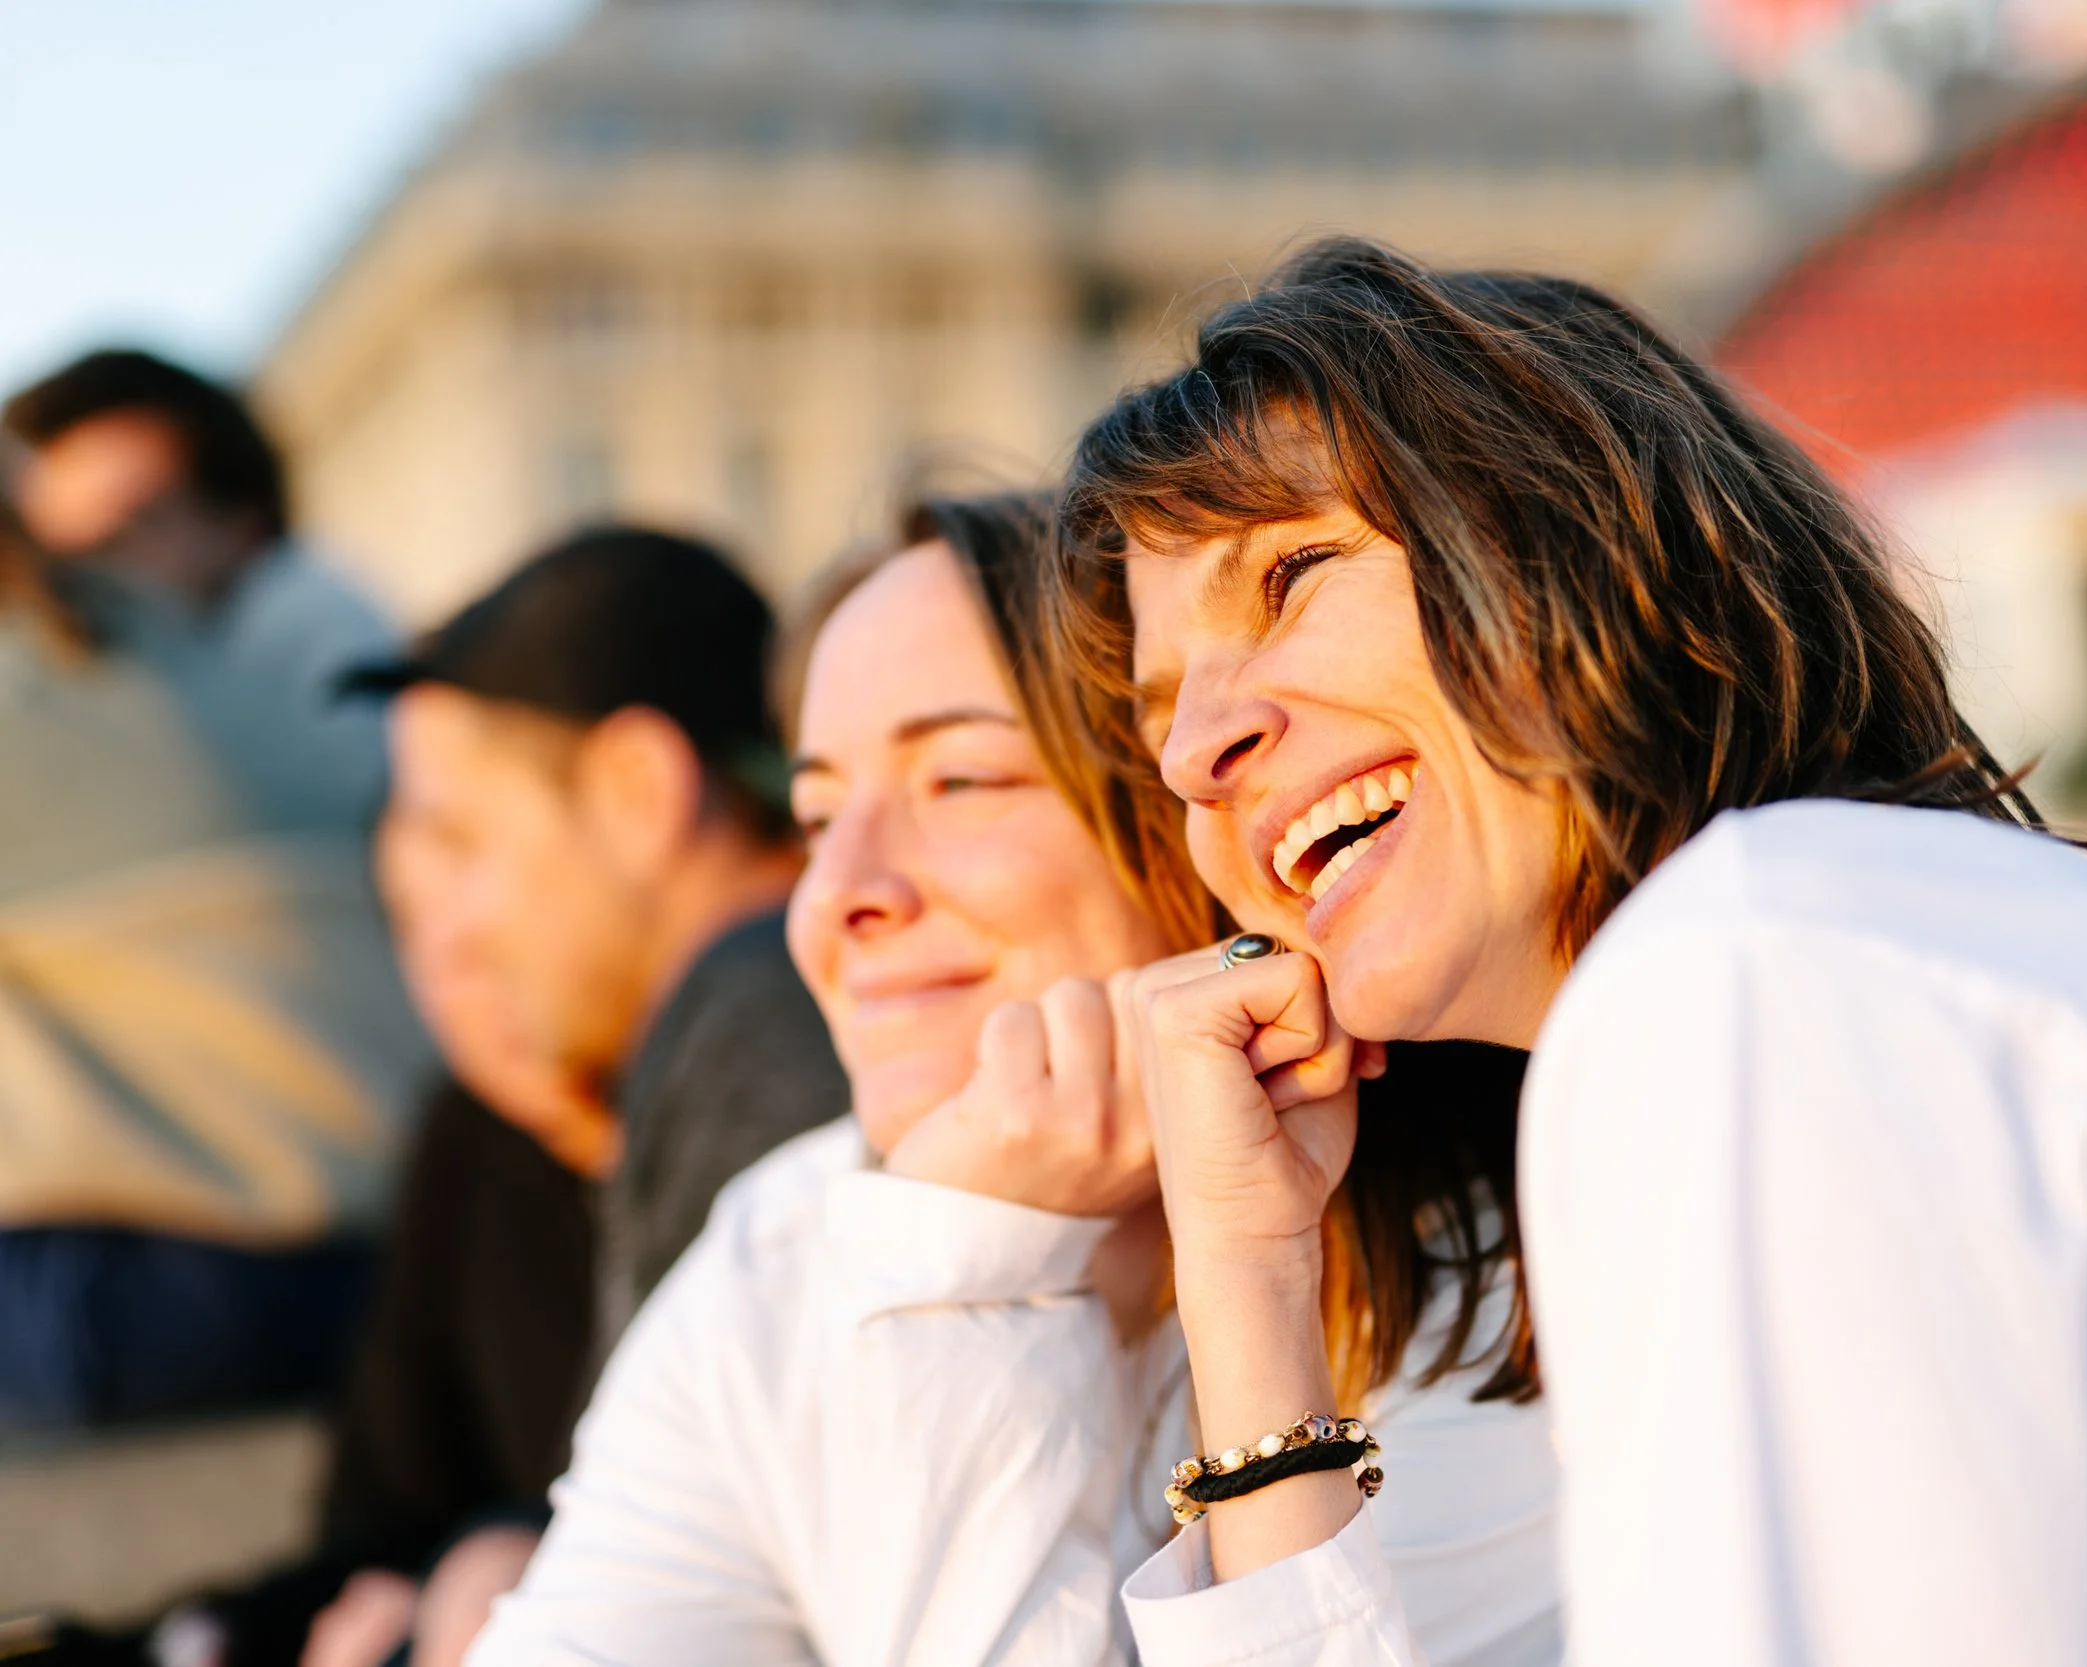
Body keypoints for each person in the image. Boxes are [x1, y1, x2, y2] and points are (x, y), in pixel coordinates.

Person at [1041, 235, 2087, 1665]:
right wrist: (1247, 1278)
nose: (1191, 749)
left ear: (1589, 539)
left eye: (1292, 571)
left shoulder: (1751, 971)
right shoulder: (1856, 943)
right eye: (1160, 705)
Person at [469, 494, 1560, 1666]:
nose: (841, 895)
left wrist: (971, 1264)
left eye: (961, 782)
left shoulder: (1495, 1286)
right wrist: (959, 1237)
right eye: (817, 813)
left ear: (1186, 811)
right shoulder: (785, 1245)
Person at [303, 524, 850, 1667]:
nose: (446, 929)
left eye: (462, 839)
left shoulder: (768, 1011)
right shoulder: (742, 1018)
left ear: (639, 790)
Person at [0, 354, 429, 1425]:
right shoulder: (204, 673)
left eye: (136, 519)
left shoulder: (44, 697)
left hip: (158, 1289)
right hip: (368, 1264)